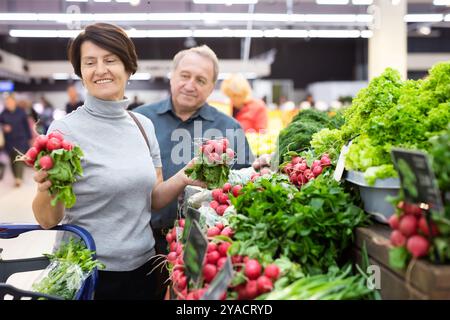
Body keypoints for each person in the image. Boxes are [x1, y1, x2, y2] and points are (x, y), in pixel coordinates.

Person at [31, 23, 204, 300]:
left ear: (128, 67)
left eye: (110, 60)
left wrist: (185, 175)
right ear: (81, 73)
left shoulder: (142, 125)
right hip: (89, 273)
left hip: (145, 268)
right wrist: (44, 189)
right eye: (90, 62)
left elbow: (152, 198)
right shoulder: (64, 131)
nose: (100, 70)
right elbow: (47, 220)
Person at [134, 45, 254, 298]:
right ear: (172, 75)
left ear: (211, 87)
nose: (190, 85)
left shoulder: (230, 128)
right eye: (185, 75)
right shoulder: (140, 121)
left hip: (203, 250)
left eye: (201, 80)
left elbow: (246, 186)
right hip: (142, 244)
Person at [0, 94, 32, 187]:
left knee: (19, 158)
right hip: (9, 141)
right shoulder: (3, 114)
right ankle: (16, 176)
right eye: (7, 102)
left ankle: (19, 178)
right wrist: (4, 127)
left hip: (21, 139)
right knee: (12, 160)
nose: (8, 104)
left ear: (14, 102)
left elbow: (27, 126)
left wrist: (29, 138)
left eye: (10, 102)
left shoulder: (21, 112)